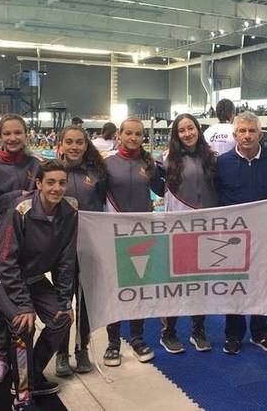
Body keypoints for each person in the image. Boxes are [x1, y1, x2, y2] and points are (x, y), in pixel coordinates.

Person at [0, 159, 78, 411]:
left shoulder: (69, 212)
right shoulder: (20, 210)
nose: (57, 188)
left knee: (61, 319)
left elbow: (66, 260)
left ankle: (30, 375)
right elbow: (5, 262)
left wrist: (64, 300)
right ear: (38, 183)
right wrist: (23, 304)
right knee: (24, 324)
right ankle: (22, 395)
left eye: (62, 183)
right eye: (50, 182)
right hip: (2, 277)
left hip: (33, 278)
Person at [0, 114, 41, 386]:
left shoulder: (37, 164)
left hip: (26, 243)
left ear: (26, 134)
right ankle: (0, 357)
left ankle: (22, 361)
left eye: (18, 133)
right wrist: (15, 197)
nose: (13, 138)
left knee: (22, 299)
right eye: (7, 134)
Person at [215, 111, 267, 355]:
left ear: (260, 134)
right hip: (233, 238)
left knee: (263, 282)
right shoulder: (221, 163)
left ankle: (260, 332)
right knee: (234, 285)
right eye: (242, 131)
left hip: (265, 237)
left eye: (251, 131)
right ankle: (233, 333)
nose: (247, 136)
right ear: (234, 135)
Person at [103, 117, 165, 366]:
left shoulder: (148, 164)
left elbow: (162, 191)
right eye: (128, 133)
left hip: (141, 236)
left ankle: (138, 339)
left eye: (138, 134)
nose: (133, 138)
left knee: (138, 289)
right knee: (115, 289)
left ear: (143, 137)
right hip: (113, 234)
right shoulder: (106, 163)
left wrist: (170, 164)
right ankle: (113, 342)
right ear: (119, 135)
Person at [156, 114, 219, 354]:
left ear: (197, 129)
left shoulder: (211, 158)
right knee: (175, 282)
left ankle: (197, 330)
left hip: (206, 230)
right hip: (179, 232)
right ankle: (168, 332)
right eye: (181, 130)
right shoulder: (167, 160)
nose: (187, 133)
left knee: (200, 283)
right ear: (176, 135)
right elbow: (154, 187)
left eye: (190, 128)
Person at [53, 125, 108, 376]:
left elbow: (104, 207)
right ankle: (61, 352)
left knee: (84, 302)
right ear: (61, 145)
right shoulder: (51, 172)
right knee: (62, 300)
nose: (74, 147)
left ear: (86, 145)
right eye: (69, 142)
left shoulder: (96, 174)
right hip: (61, 250)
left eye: (79, 142)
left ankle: (81, 348)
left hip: (89, 246)